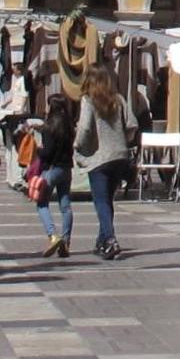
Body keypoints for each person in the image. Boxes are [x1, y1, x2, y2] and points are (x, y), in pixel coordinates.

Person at [75, 63, 136, 261]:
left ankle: (110, 239)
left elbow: (84, 128)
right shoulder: (118, 99)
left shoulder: (88, 100)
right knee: (108, 200)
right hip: (119, 155)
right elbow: (132, 125)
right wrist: (121, 139)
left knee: (100, 201)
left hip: (99, 157)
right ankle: (101, 241)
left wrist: (78, 146)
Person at [33, 94, 78, 257]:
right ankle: (66, 241)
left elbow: (47, 152)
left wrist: (38, 150)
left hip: (51, 171)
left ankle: (53, 235)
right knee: (65, 206)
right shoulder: (69, 126)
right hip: (66, 169)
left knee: (42, 203)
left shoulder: (49, 127)